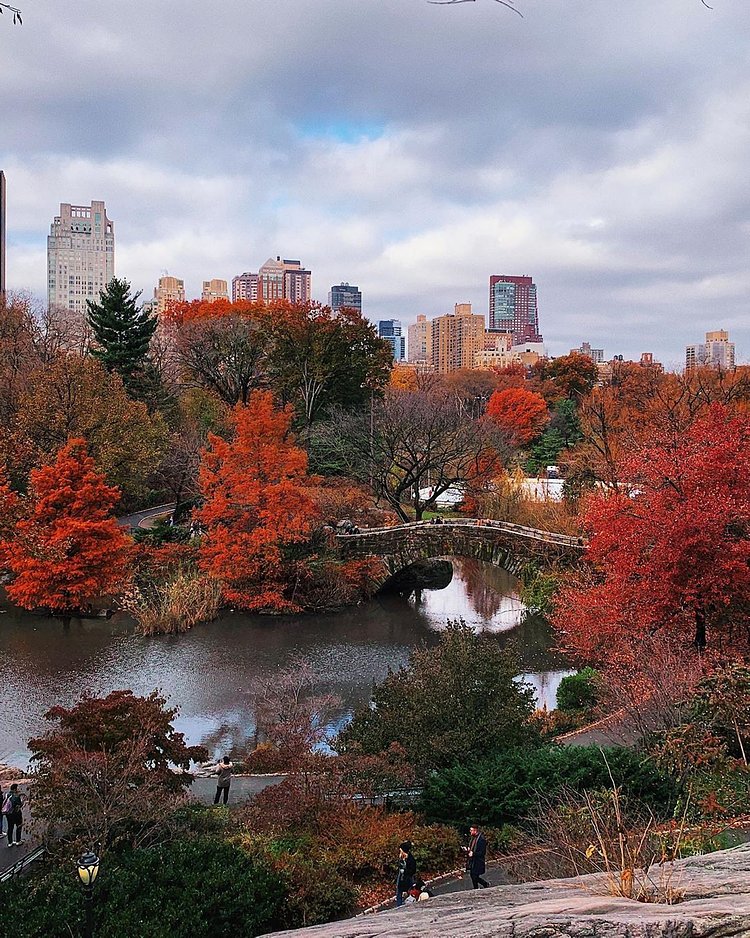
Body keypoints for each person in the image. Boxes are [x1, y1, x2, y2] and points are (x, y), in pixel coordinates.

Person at [465, 824, 489, 889]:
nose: (470, 831)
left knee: (474, 876)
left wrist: (473, 854)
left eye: (471, 830)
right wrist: (468, 850)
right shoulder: (473, 838)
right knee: (473, 875)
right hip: (473, 861)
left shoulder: (481, 839)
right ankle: (478, 887)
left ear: (475, 831)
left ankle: (484, 884)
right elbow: (472, 848)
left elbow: (482, 852)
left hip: (478, 861)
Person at [395, 840, 416, 907]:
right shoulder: (401, 858)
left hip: (408, 878)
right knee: (399, 892)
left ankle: (410, 904)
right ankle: (399, 906)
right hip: (401, 878)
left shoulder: (411, 859)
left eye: (401, 850)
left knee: (410, 891)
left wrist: (405, 871)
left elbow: (412, 871)